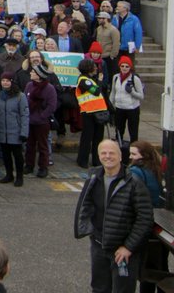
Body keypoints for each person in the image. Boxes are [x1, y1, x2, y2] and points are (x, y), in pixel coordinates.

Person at [75, 139, 153, 293]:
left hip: (122, 251)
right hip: (99, 246)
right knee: (98, 289)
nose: (108, 156)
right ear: (98, 156)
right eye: (103, 153)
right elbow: (87, 206)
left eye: (112, 153)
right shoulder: (93, 177)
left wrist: (128, 247)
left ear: (120, 156)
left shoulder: (134, 183)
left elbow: (145, 219)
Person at [128, 141, 167, 293]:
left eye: (133, 154)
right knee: (161, 264)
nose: (130, 157)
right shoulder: (156, 168)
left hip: (145, 221)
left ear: (143, 156)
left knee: (146, 269)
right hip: (159, 220)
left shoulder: (136, 171)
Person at [0, 72, 29, 187]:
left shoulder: (20, 96)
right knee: (5, 154)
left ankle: (20, 176)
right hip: (1, 130)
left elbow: (24, 115)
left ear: (12, 82)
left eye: (7, 80)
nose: (5, 83)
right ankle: (9, 174)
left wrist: (24, 132)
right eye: (3, 80)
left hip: (15, 130)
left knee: (17, 155)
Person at [24, 66, 57, 178]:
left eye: (33, 72)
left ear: (39, 75)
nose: (31, 73)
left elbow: (51, 106)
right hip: (30, 120)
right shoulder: (29, 85)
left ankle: (43, 167)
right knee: (29, 145)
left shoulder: (49, 88)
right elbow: (25, 101)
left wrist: (42, 116)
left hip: (42, 123)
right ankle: (29, 165)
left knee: (43, 145)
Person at [76, 59, 109, 168]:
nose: (96, 69)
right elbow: (96, 91)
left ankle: (96, 160)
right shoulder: (84, 80)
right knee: (87, 138)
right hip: (89, 113)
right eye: (94, 67)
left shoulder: (90, 79)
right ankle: (82, 160)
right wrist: (99, 81)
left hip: (98, 112)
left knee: (98, 138)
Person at [109, 56, 144, 147]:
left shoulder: (134, 79)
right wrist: (109, 105)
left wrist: (131, 92)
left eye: (127, 66)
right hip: (119, 108)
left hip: (132, 109)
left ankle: (133, 150)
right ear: (119, 66)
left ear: (130, 67)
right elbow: (113, 92)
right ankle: (119, 149)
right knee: (119, 130)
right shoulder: (115, 77)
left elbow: (141, 96)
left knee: (133, 131)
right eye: (122, 66)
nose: (124, 68)